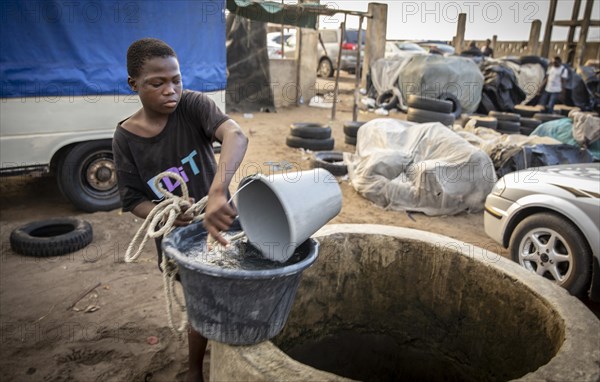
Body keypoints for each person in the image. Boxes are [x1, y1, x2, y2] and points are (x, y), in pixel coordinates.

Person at [112, 38, 248, 382]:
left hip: (220, 223)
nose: (170, 90)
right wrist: (166, 212)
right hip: (180, 241)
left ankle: (237, 357)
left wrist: (217, 191)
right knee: (200, 306)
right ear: (134, 85)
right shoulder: (125, 138)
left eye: (176, 79)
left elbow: (236, 135)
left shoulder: (193, 106)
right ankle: (194, 370)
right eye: (157, 83)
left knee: (235, 291)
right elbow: (131, 199)